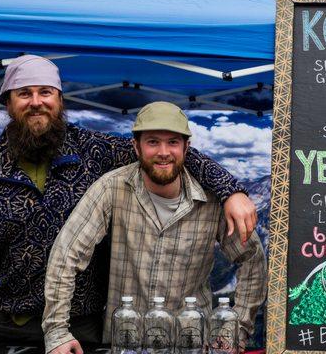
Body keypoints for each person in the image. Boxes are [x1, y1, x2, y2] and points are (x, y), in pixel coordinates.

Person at [0, 55, 257, 354]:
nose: (36, 101)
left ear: (60, 100)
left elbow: (164, 155)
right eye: (24, 93)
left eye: (46, 92)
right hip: (11, 320)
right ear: (8, 102)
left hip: (82, 326)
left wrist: (231, 191)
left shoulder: (93, 150)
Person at [43, 101, 266, 354]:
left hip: (191, 344)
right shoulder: (111, 189)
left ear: (186, 148)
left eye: (173, 142)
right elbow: (66, 254)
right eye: (152, 142)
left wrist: (234, 331)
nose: (163, 152)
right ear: (136, 147)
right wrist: (56, 331)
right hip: (124, 343)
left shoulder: (214, 200)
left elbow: (253, 261)